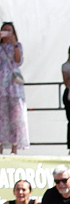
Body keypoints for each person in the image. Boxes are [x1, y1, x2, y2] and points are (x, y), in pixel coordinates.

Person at [0, 22, 28, 153]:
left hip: (13, 84)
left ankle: (14, 148)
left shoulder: (17, 45)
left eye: (9, 30)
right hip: (1, 83)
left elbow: (18, 60)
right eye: (4, 30)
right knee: (1, 116)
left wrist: (14, 42)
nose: (6, 32)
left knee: (15, 116)